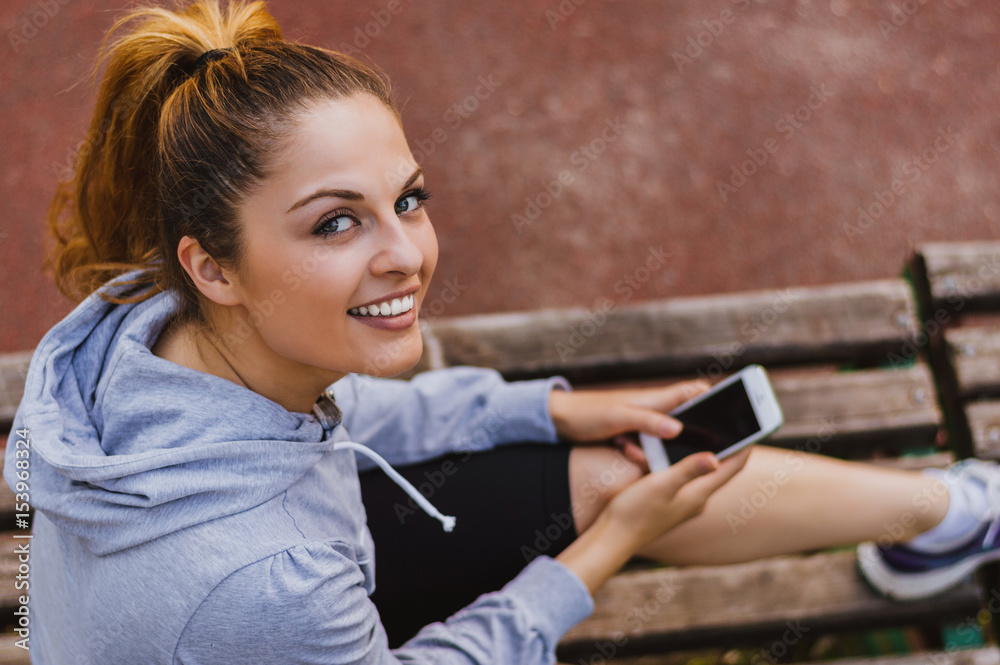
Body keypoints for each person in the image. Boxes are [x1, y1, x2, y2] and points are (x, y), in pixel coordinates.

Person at [6, 0, 1000, 663]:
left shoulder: (154, 321)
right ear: (209, 262)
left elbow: (348, 409)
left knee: (627, 463)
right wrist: (601, 554)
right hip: (261, 597)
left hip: (267, 561)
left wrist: (552, 407)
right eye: (335, 222)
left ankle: (943, 514)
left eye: (408, 198)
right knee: (626, 499)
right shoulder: (272, 585)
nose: (407, 254)